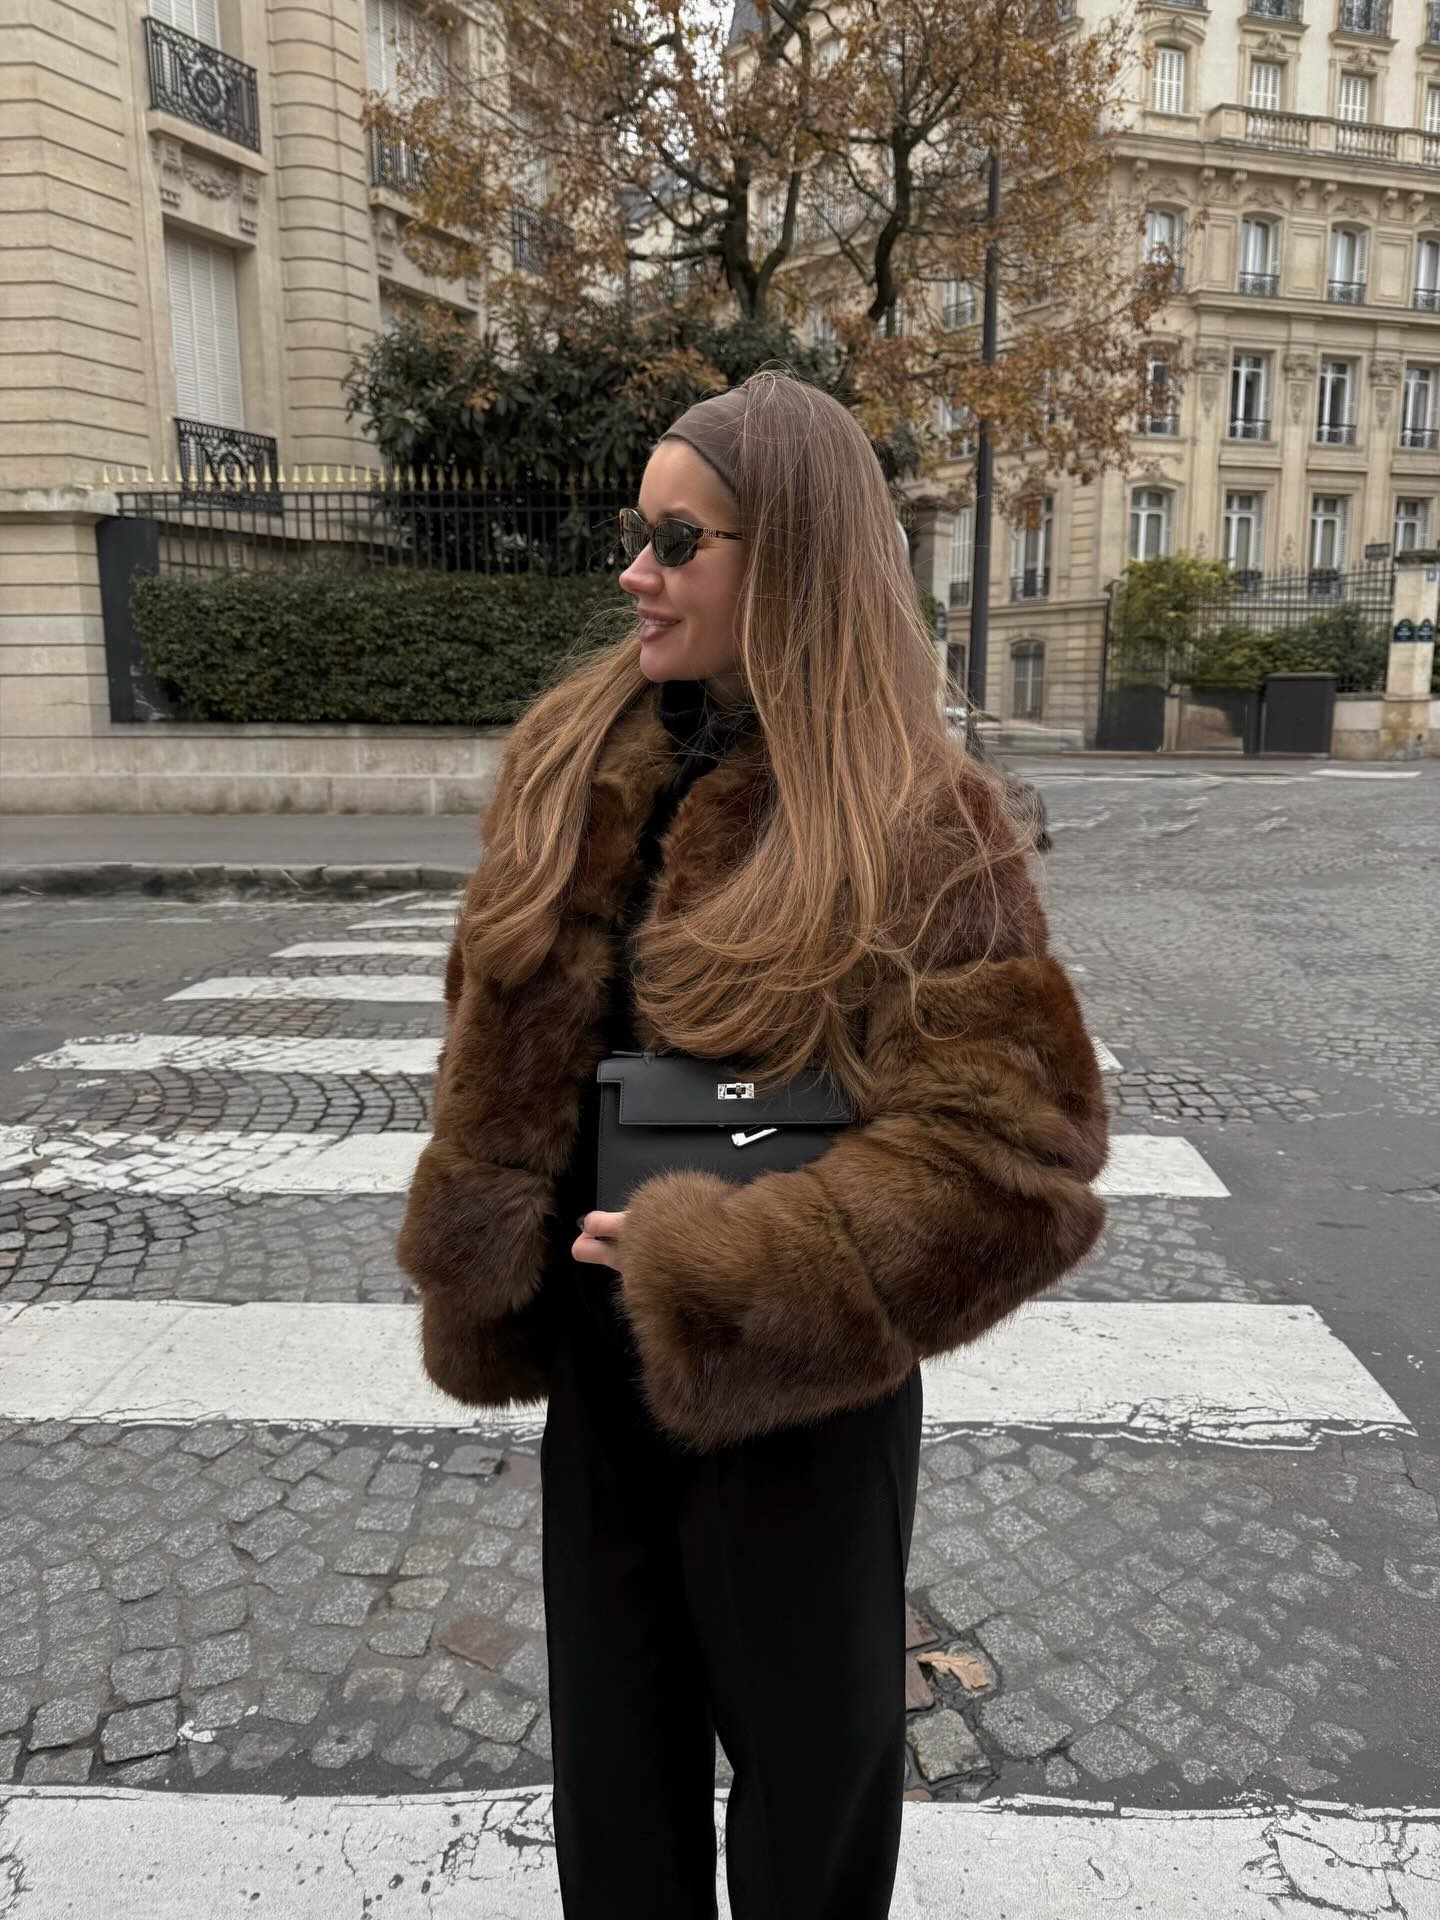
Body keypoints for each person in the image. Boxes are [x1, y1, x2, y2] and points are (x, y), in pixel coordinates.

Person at [396, 369, 1110, 1919]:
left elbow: (1019, 1159)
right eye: (635, 533)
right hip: (598, 1366)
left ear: (785, 562)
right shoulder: (569, 762)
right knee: (613, 1775)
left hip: (802, 1393)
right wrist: (496, 1223)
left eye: (677, 540)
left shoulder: (920, 825)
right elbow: (492, 1019)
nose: (633, 571)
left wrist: (740, 1265)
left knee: (808, 1786)